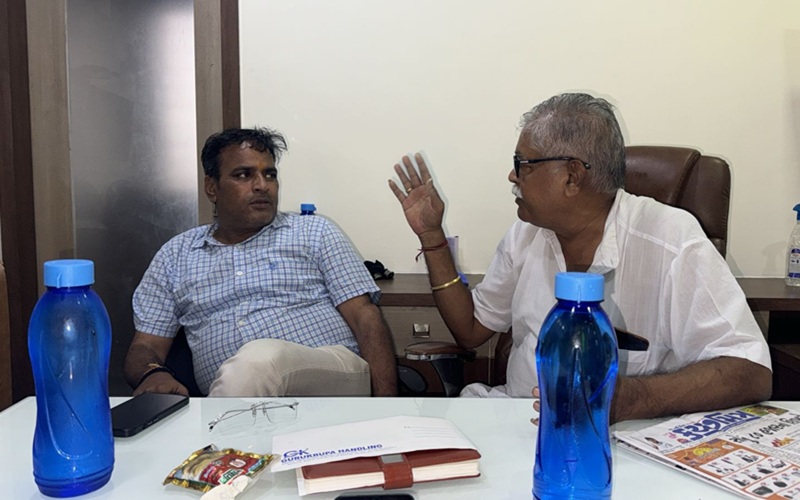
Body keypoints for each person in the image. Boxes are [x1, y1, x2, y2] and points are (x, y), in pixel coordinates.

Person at [388, 92, 771, 423]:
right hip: (516, 420)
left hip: (621, 436)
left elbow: (749, 370)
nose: (512, 176)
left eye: (523, 164)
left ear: (572, 177)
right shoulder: (525, 234)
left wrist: (631, 399)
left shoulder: (671, 238)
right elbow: (471, 330)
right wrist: (432, 236)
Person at [124, 127, 397, 397]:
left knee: (259, 360)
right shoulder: (175, 256)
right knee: (251, 368)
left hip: (333, 378)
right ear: (212, 187)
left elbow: (365, 317)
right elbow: (145, 346)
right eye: (244, 175)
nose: (262, 185)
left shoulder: (315, 232)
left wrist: (389, 409)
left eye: (270, 174)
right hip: (241, 396)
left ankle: (217, 426)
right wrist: (152, 373)